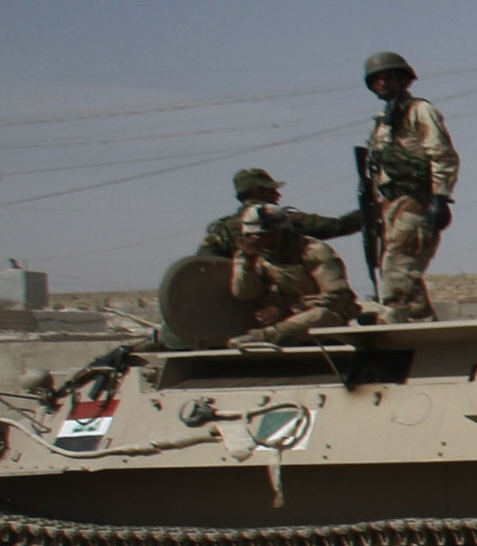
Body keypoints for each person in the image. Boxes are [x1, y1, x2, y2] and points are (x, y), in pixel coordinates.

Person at [360, 51, 457, 322]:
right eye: (376, 80)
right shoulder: (382, 122)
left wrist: (440, 196)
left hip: (415, 200)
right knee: (400, 273)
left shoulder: (420, 110)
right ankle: (425, 327)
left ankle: (390, 320)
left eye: (388, 77)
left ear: (404, 79)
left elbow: (441, 154)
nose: (382, 83)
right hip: (389, 203)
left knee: (398, 268)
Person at [225, 205, 359, 346]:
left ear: (284, 231)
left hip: (324, 318)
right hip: (279, 320)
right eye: (256, 236)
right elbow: (244, 294)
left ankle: (266, 338)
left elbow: (337, 296)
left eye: (269, 234)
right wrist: (248, 264)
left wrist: (287, 310)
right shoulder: (249, 256)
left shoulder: (312, 251)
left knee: (320, 315)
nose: (263, 240)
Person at [195, 167, 359, 260]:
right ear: (256, 190)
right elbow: (338, 226)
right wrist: (368, 210)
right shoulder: (279, 219)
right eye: (271, 190)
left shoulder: (221, 231)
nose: (277, 195)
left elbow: (203, 266)